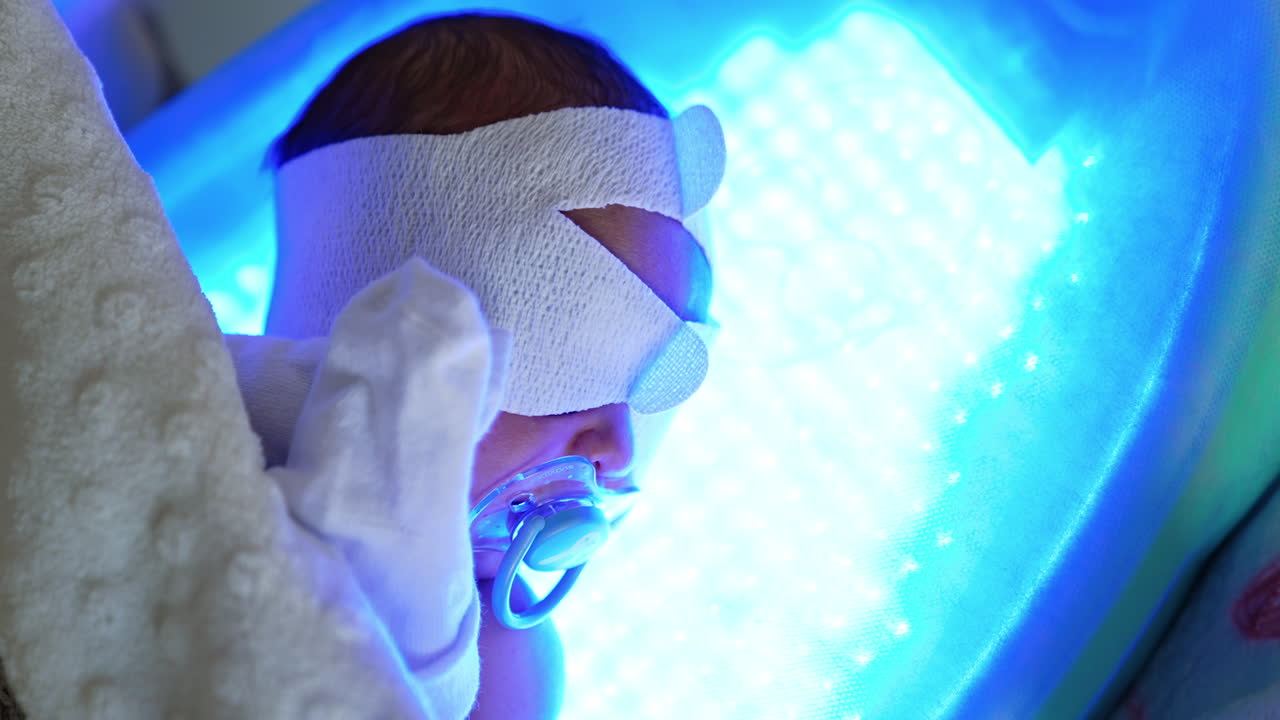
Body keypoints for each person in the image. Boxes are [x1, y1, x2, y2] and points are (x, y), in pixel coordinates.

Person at [224, 12, 724, 720]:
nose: (616, 450)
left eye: (659, 379)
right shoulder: (202, 408)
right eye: (575, 353)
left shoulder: (505, 654)